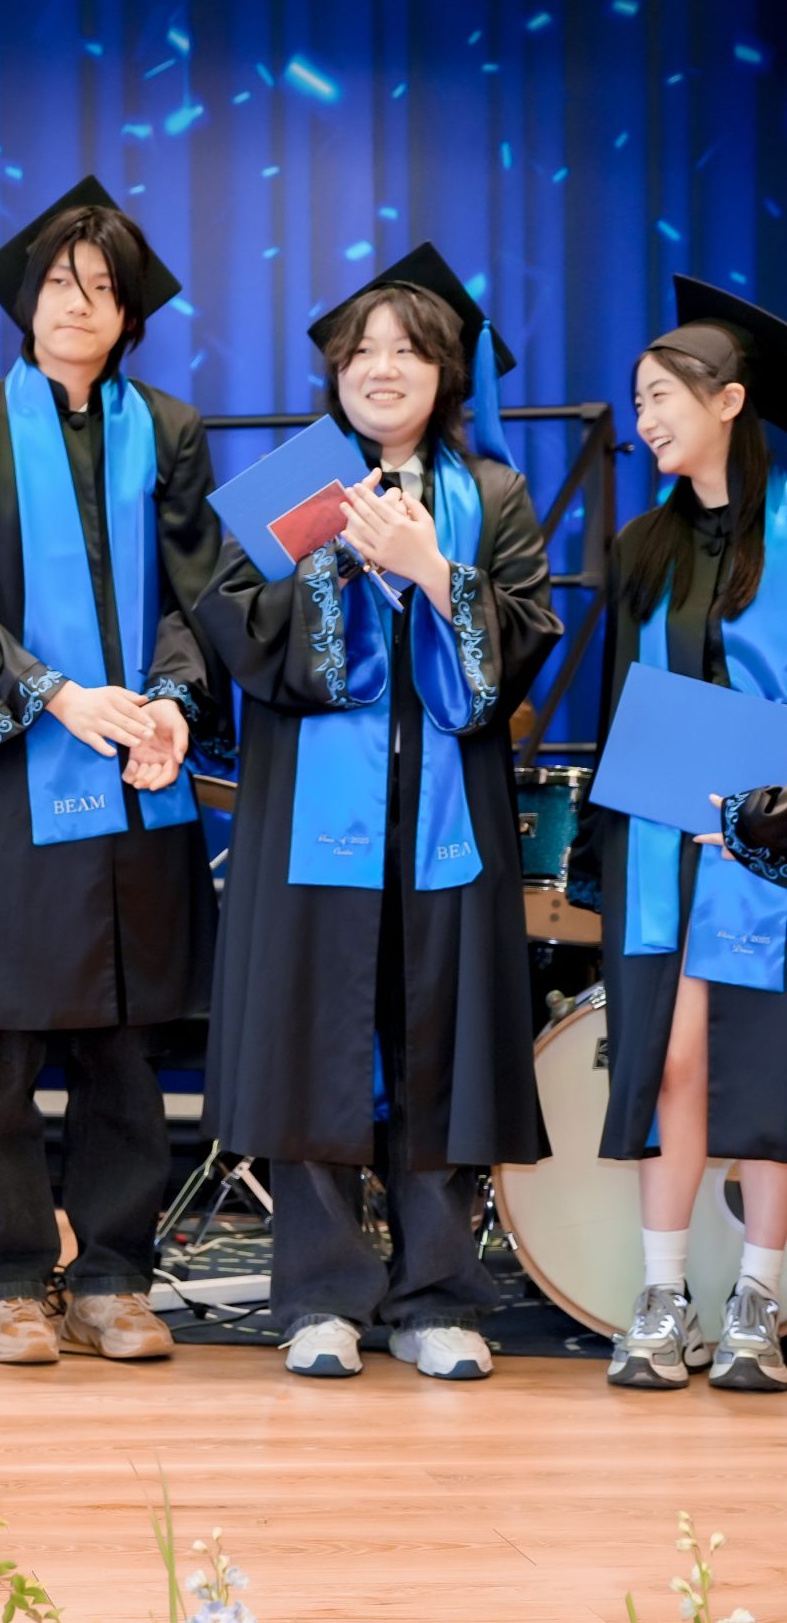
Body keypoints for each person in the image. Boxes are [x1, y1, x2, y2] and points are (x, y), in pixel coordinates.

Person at [195, 244, 561, 1382]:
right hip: (315, 813)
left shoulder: (491, 496)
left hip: (447, 816)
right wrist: (335, 567)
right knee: (315, 1041)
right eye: (362, 352)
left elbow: (524, 643)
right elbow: (236, 630)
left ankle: (436, 1296)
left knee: (439, 1042)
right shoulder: (290, 487)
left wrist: (431, 568)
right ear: (336, 373)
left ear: (445, 373)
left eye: (408, 350)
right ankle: (320, 1296)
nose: (383, 368)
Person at [0, 177, 226, 1366]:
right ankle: (1, 1280)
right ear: (24, 302)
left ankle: (111, 1279)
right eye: (56, 282)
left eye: (99, 287)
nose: (75, 303)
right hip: (11, 771)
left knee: (124, 1041)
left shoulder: (170, 431)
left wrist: (172, 700)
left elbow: (202, 590)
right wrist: (54, 693)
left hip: (138, 773)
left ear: (129, 312)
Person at [582, 279, 787, 1392]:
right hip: (666, 847)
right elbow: (625, 707)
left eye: (661, 395)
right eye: (638, 400)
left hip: (775, 852)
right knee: (672, 1061)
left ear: (730, 400)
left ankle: (760, 1300)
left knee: (766, 1072)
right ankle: (663, 1297)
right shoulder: (643, 546)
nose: (645, 418)